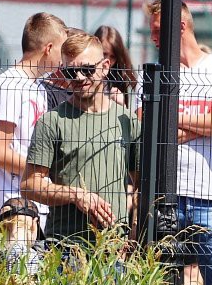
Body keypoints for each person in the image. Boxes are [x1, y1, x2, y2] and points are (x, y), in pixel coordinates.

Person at [142, 0, 212, 285]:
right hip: (163, 199)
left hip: (209, 199)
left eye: (158, 31)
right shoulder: (158, 72)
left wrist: (175, 118)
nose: (154, 38)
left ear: (180, 26)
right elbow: (148, 124)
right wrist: (202, 121)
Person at [21, 32, 140, 248]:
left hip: (114, 248)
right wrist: (77, 196)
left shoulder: (127, 121)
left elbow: (143, 182)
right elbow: (30, 185)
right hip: (65, 248)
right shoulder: (52, 121)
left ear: (105, 67)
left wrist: (133, 232)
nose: (78, 77)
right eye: (70, 71)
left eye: (87, 69)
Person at [0, 12, 68, 229]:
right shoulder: (10, 85)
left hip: (34, 206)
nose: (64, 58)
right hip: (13, 207)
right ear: (49, 48)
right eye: (62, 49)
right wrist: (44, 169)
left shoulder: (38, 87)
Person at [0, 196, 46, 276]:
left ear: (1, 230)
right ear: (34, 224)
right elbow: (27, 284)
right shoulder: (30, 254)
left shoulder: (1, 255)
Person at [95, 25, 136, 107]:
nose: (108, 60)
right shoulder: (83, 76)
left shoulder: (120, 77)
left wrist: (121, 104)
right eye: (104, 54)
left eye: (113, 56)